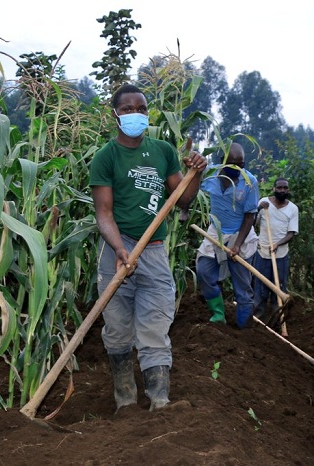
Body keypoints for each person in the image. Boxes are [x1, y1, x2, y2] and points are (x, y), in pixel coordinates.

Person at [89, 83, 207, 413]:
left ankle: (160, 402)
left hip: (153, 251)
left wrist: (195, 173)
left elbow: (183, 198)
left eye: (141, 109)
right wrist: (120, 248)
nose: (136, 114)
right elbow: (104, 213)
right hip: (117, 250)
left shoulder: (163, 152)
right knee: (117, 330)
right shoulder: (105, 157)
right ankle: (125, 402)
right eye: (127, 109)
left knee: (155, 328)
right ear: (115, 115)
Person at [196, 142, 259, 328]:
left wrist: (238, 245)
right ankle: (218, 315)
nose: (237, 169)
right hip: (215, 232)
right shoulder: (210, 175)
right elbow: (191, 188)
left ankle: (244, 328)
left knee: (242, 287)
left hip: (241, 234)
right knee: (204, 271)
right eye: (233, 165)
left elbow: (250, 216)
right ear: (222, 162)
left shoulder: (249, 182)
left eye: (241, 165)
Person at [252, 177, 299, 325]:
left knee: (278, 289)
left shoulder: (292, 209)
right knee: (259, 289)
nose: (282, 191)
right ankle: (257, 321)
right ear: (274, 188)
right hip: (262, 253)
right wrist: (258, 209)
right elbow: (252, 223)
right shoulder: (263, 203)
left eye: (285, 188)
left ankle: (276, 324)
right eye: (279, 188)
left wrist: (278, 244)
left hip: (281, 256)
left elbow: (291, 233)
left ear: (288, 190)